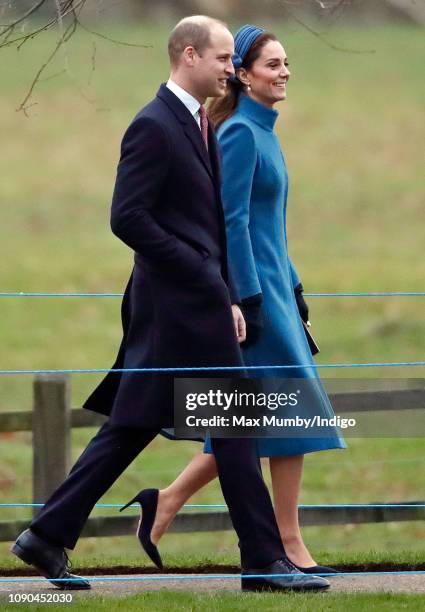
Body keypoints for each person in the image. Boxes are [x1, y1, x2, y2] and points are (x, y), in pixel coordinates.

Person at [10, 16, 329, 593]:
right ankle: (262, 560)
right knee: (235, 421)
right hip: (175, 304)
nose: (231, 69)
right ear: (189, 56)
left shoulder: (200, 123)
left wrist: (225, 291)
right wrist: (205, 276)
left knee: (133, 423)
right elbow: (127, 217)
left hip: (195, 303)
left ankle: (46, 534)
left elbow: (208, 222)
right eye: (223, 59)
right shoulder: (154, 125)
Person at [133, 25, 346, 574]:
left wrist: (294, 287)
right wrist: (247, 299)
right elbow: (230, 225)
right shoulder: (240, 135)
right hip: (254, 296)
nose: (284, 73)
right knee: (288, 414)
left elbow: (270, 225)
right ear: (244, 75)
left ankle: (167, 502)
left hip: (275, 290)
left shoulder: (264, 132)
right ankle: (288, 540)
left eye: (286, 63)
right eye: (272, 64)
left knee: (247, 416)